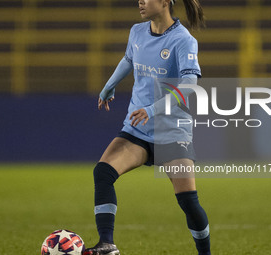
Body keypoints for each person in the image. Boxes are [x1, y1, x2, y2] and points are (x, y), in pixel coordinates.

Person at [83, 0, 210, 254]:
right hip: (137, 130)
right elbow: (129, 59)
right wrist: (109, 85)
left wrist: (152, 110)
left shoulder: (183, 40)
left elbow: (188, 86)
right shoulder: (137, 32)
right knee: (103, 173)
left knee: (188, 202)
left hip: (172, 132)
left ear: (165, 2)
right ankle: (107, 243)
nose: (140, 1)